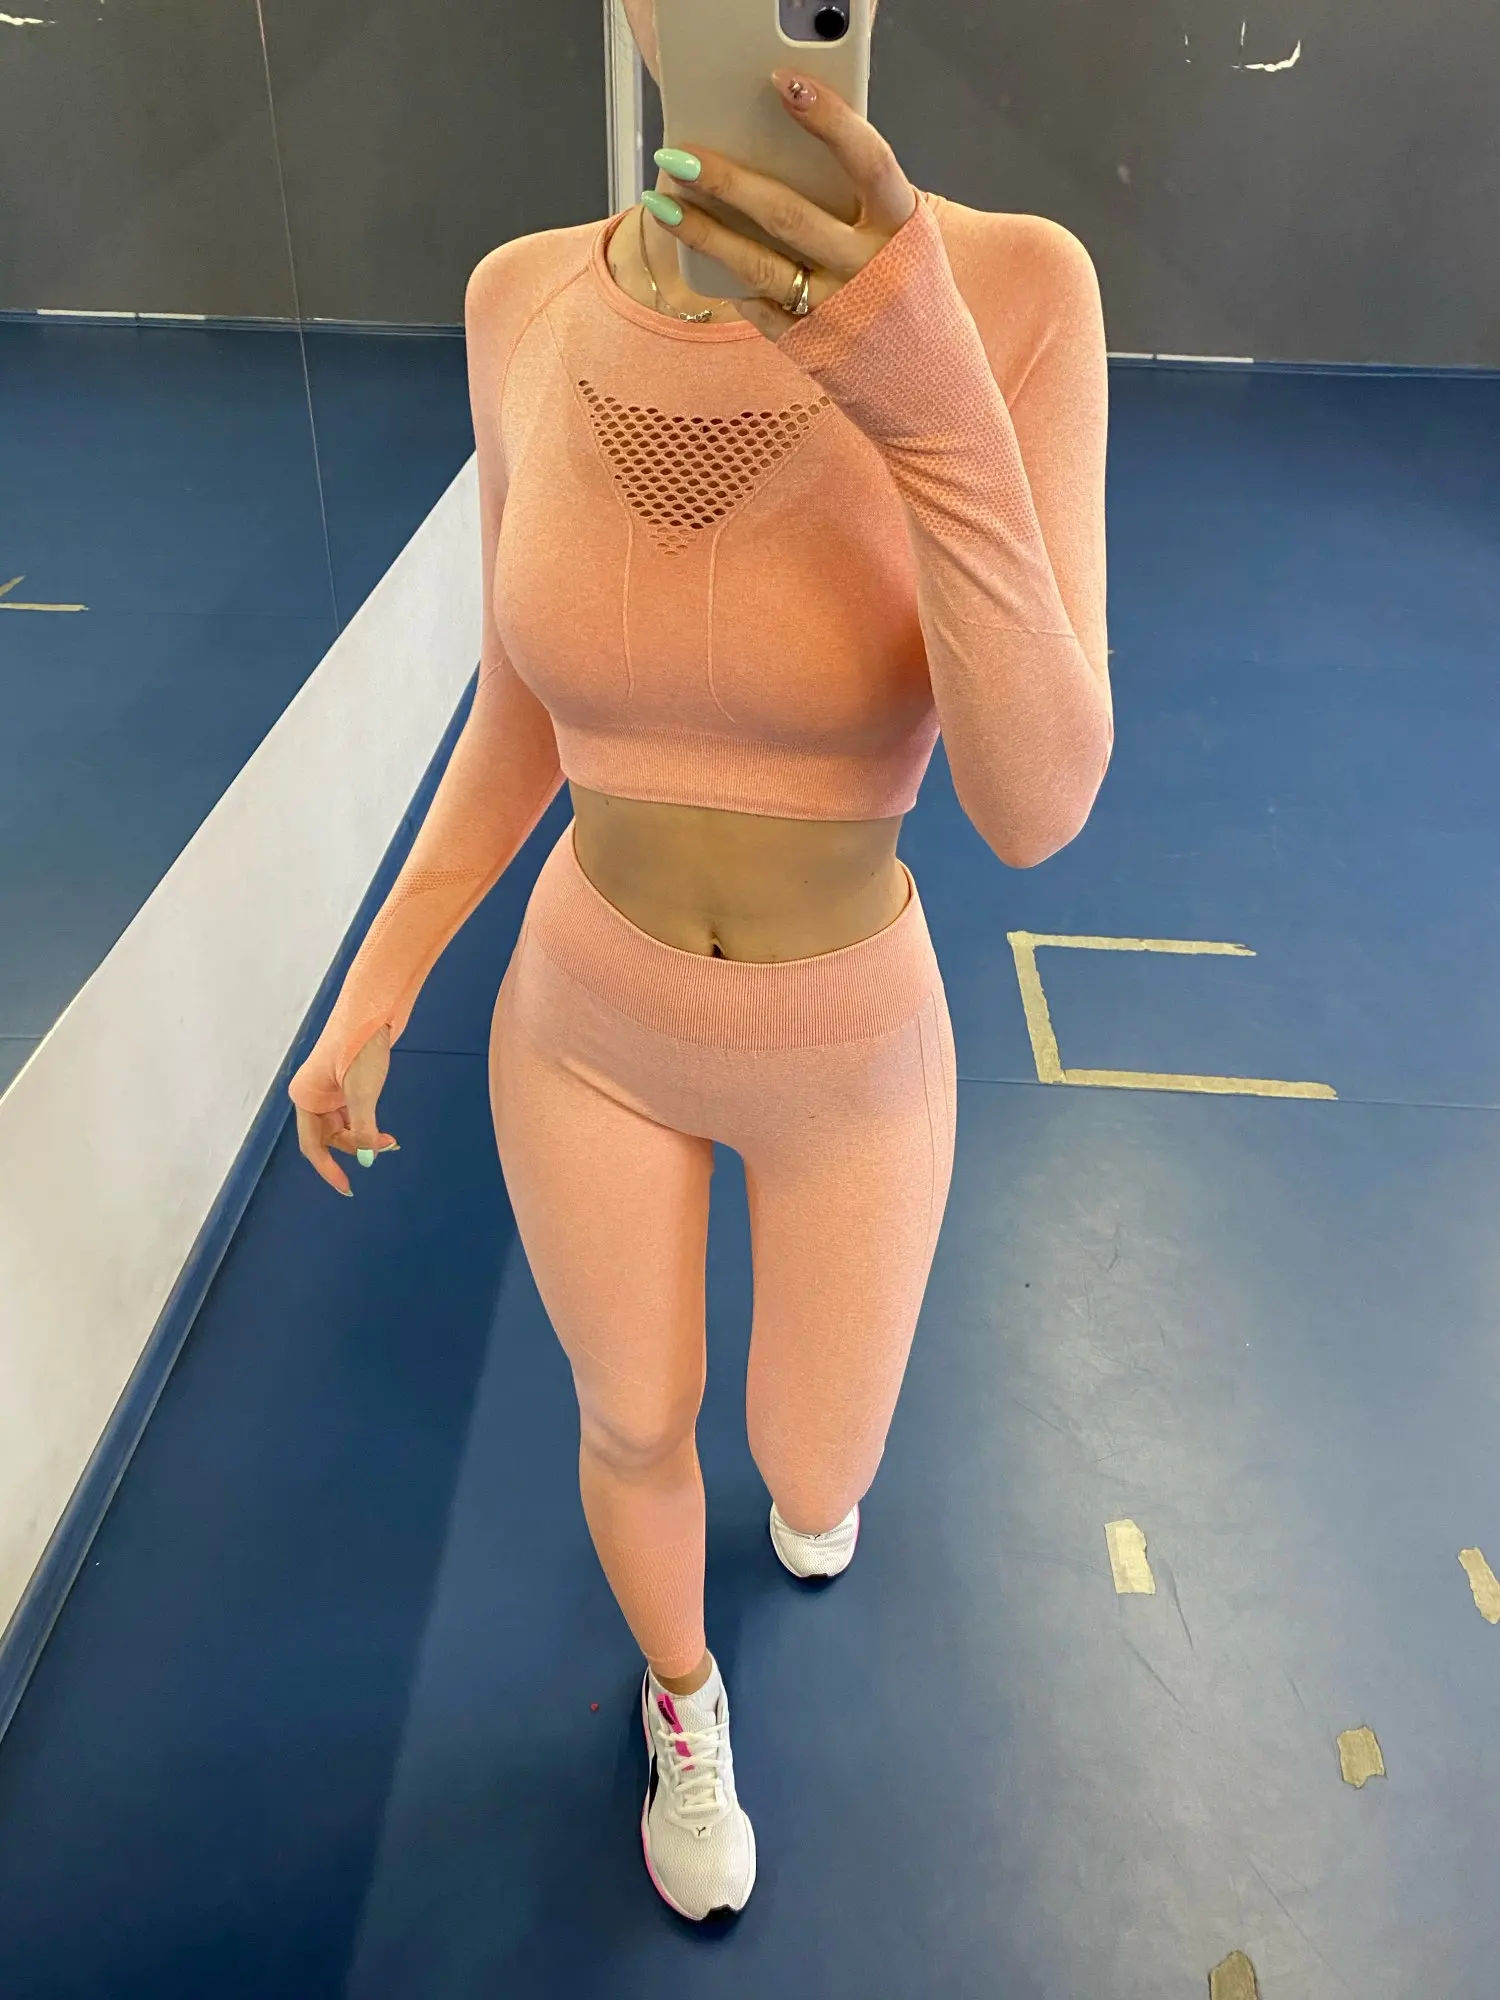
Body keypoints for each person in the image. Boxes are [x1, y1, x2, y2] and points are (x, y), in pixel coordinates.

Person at [288, 0, 1111, 1923]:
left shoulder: (1013, 292)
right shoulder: (521, 304)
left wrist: (921, 389)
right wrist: (380, 982)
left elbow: (1037, 806)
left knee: (812, 1464)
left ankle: (808, 1495)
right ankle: (682, 1697)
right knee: (631, 1417)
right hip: (589, 1016)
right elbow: (522, 706)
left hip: (849, 1043)